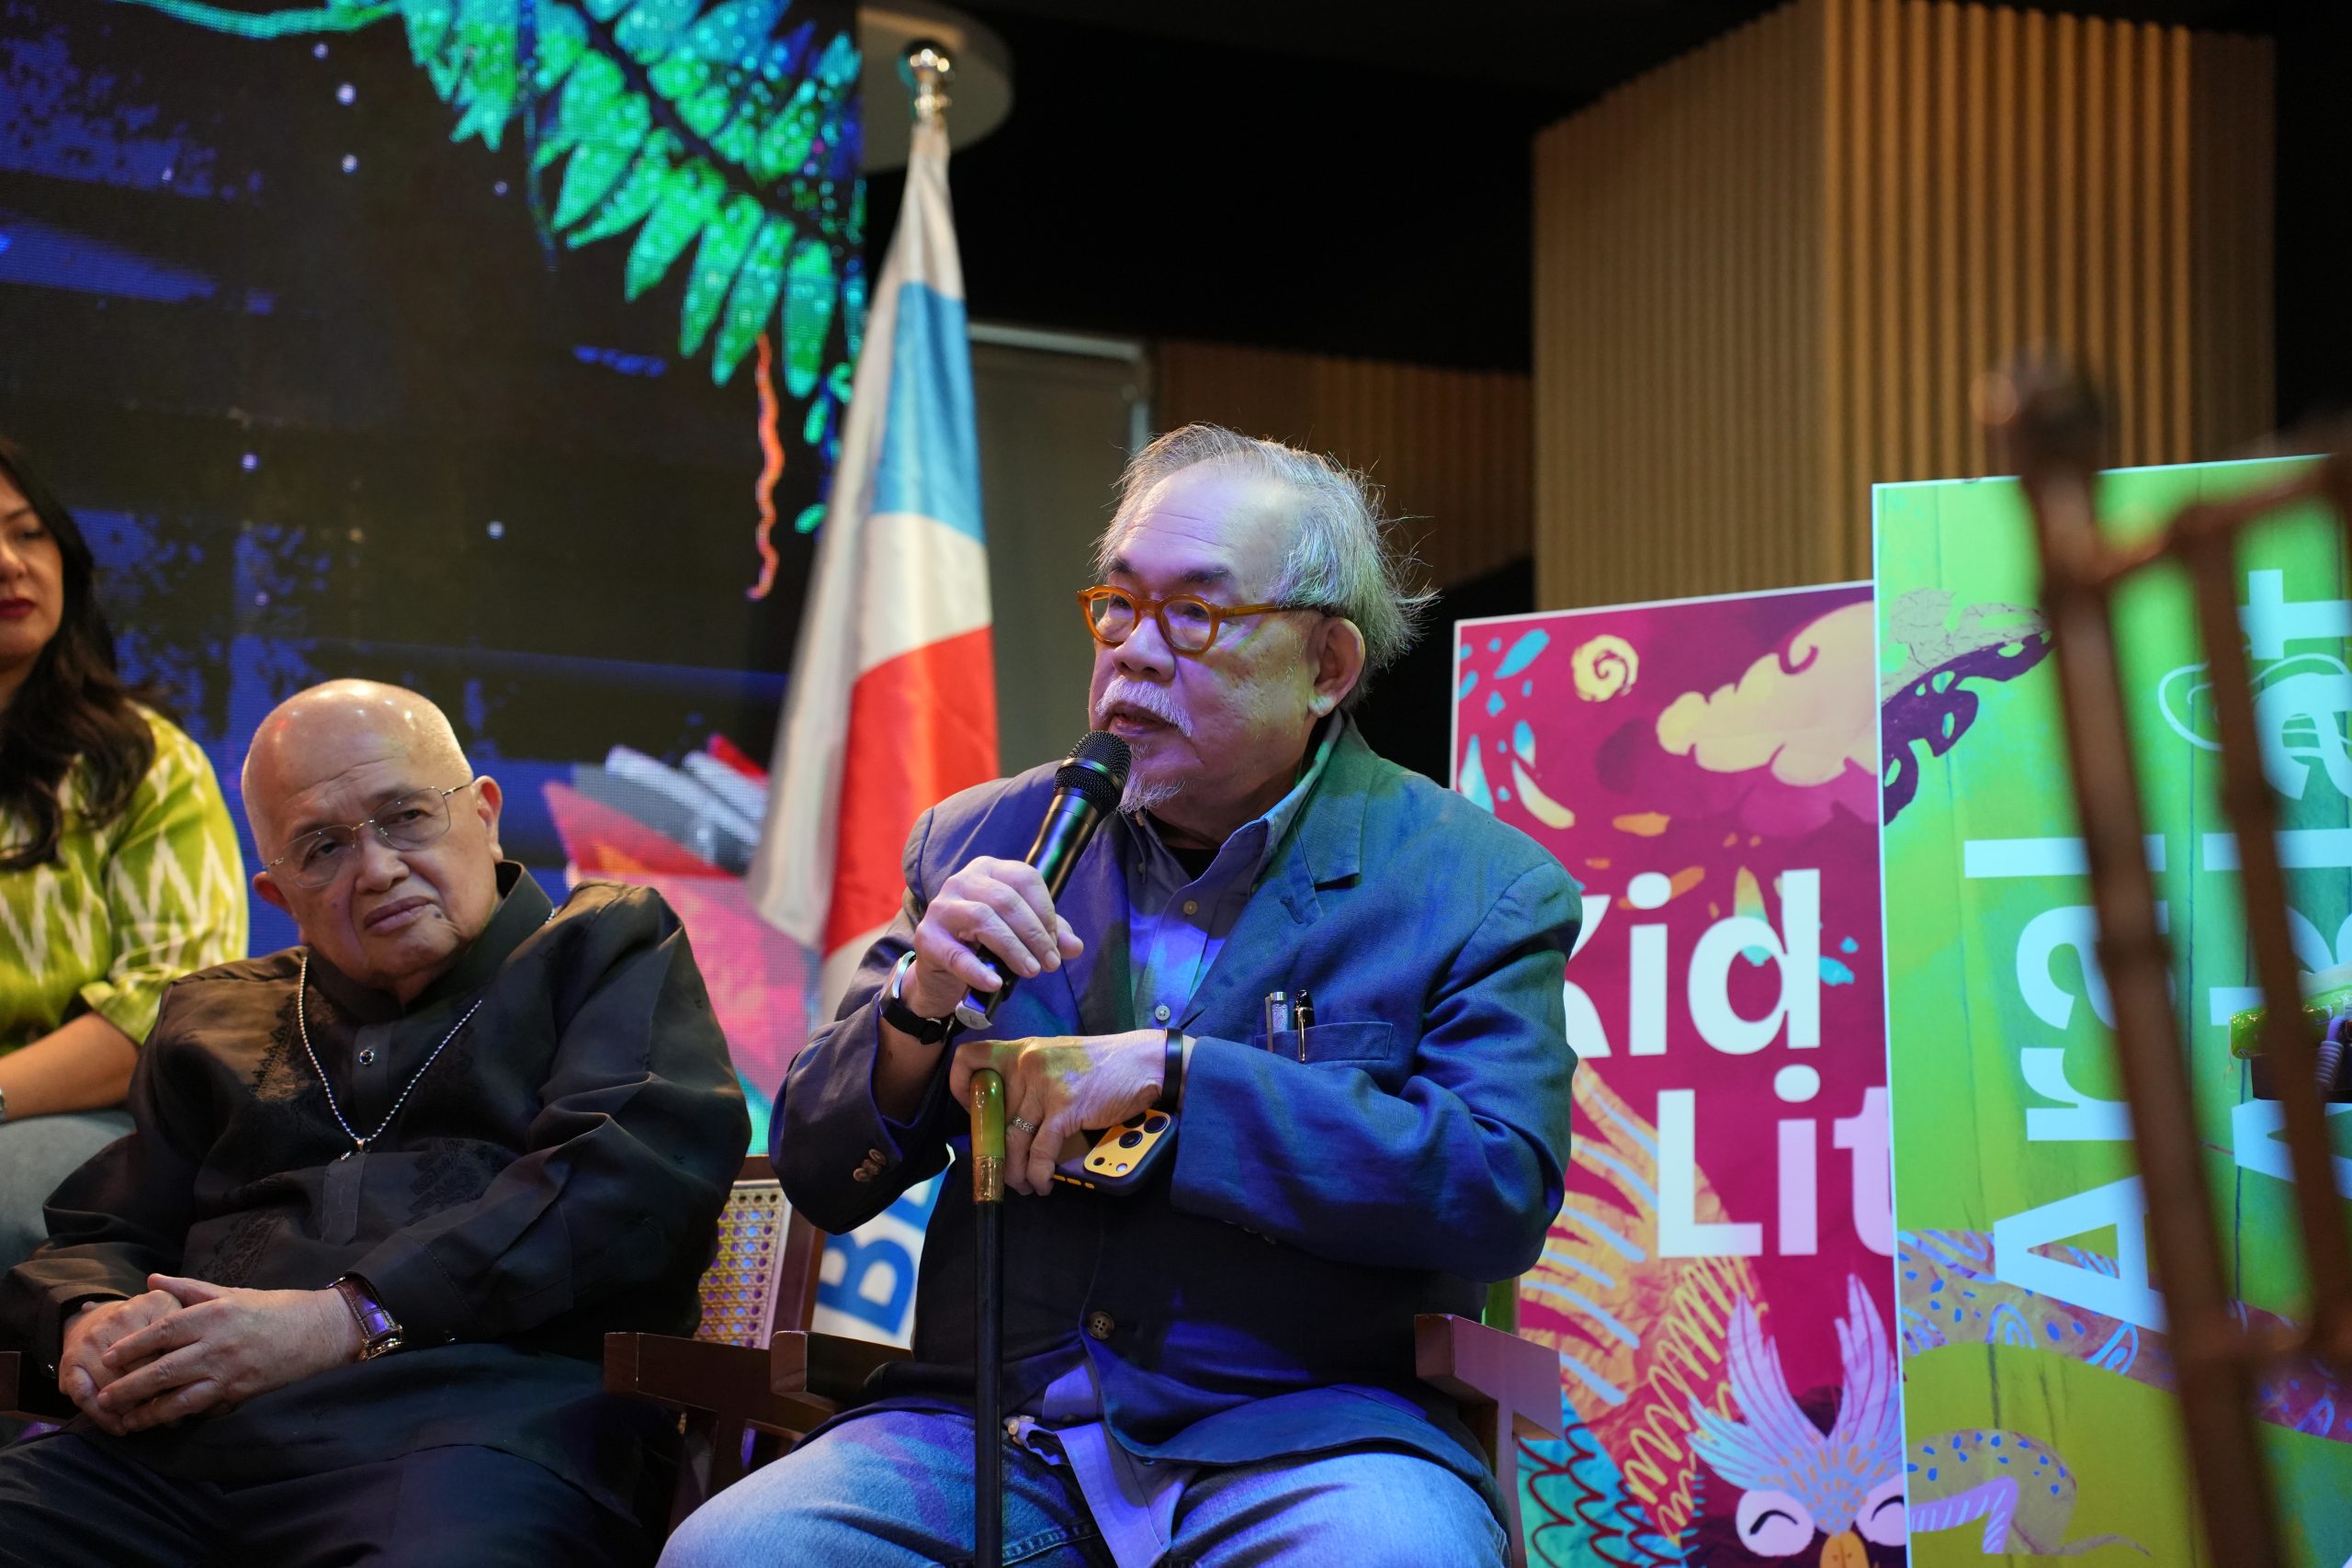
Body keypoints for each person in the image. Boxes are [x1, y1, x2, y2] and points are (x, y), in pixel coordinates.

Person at [665, 425, 1582, 1568]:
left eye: (1193, 614)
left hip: (1308, 1439)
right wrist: (916, 1002)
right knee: (733, 1552)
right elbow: (818, 1166)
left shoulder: (1473, 884)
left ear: (1327, 665)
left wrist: (1180, 1080)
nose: (1135, 654)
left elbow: (1495, 1189)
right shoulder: (982, 837)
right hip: (987, 1429)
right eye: (1118, 606)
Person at [0, 679, 750, 1567]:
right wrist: (90, 1316)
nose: (378, 868)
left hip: (474, 1443)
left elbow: (623, 1188)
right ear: (278, 892)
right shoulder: (214, 1018)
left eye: (406, 817)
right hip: (169, 1458)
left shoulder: (606, 949)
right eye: (323, 847)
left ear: (484, 813)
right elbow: (110, 1228)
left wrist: (339, 1319)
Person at [0, 438, 245, 1274]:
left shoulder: (147, 763)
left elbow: (166, 1008)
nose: (10, 563)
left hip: (100, 1120)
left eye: (28, 533)